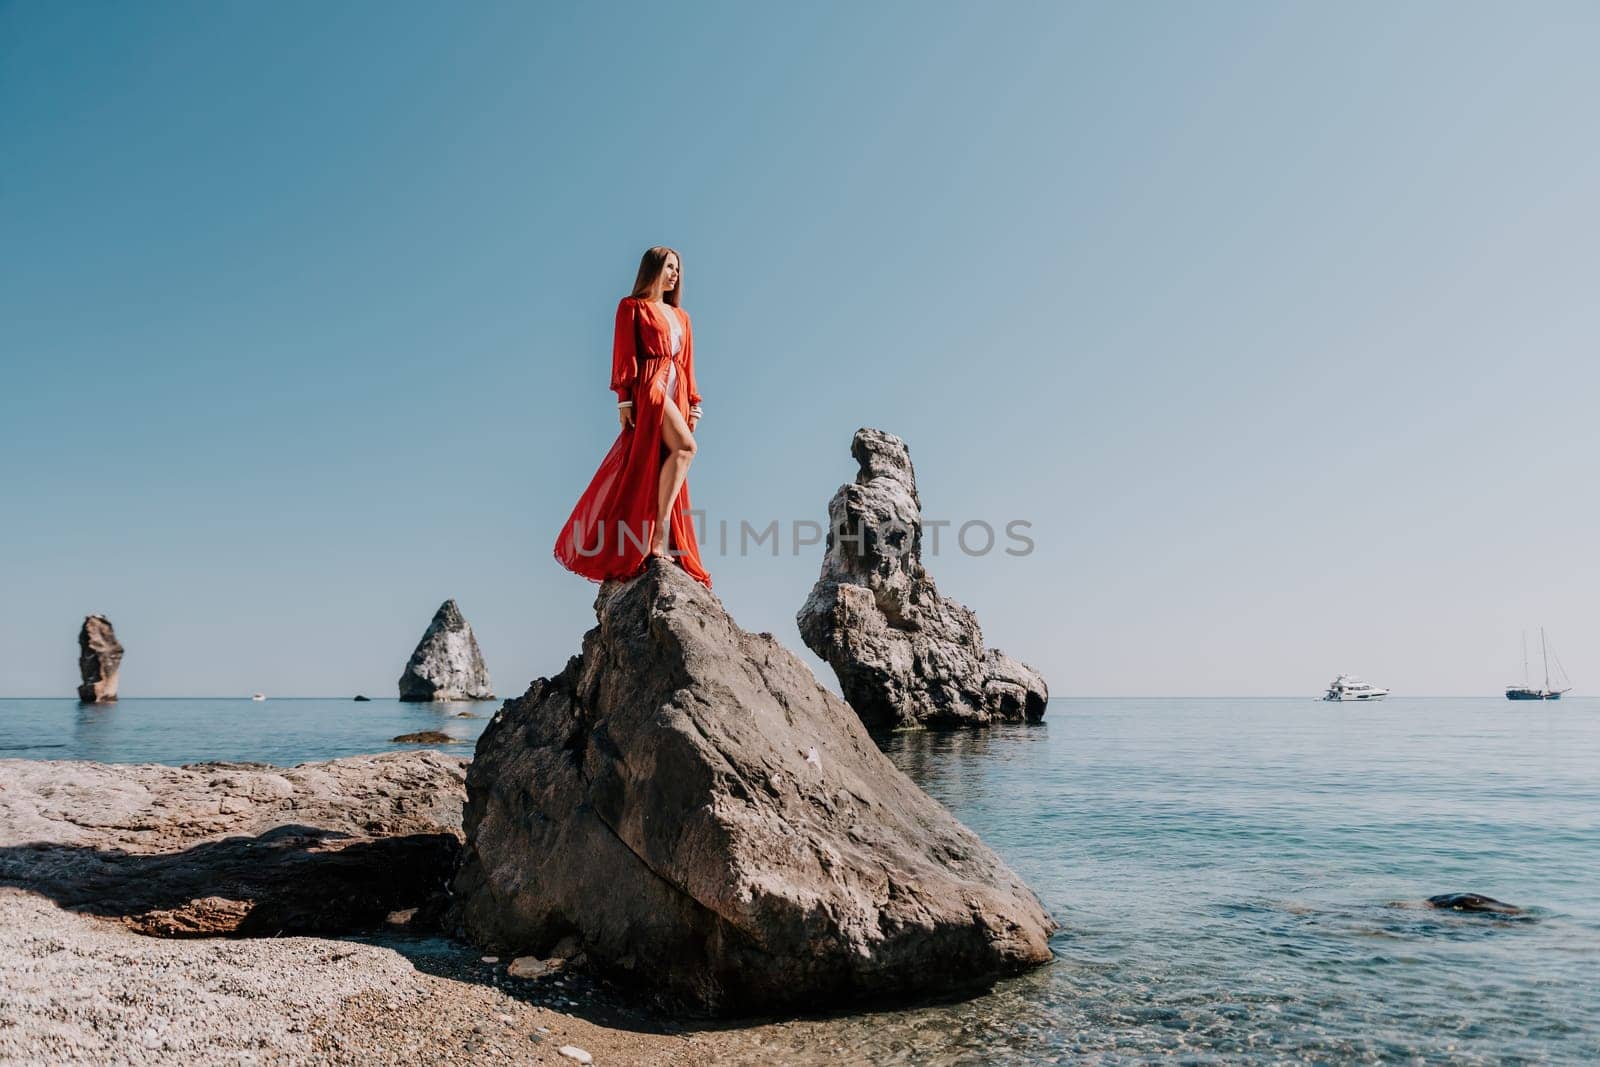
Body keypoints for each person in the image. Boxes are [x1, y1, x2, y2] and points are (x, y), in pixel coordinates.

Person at [552, 246, 713, 588]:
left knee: (663, 462)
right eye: (670, 267)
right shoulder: (632, 307)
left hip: (678, 392)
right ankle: (659, 532)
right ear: (653, 269)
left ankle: (660, 537)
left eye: (678, 270)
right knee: (686, 448)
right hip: (649, 389)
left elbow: (687, 364)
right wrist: (624, 401)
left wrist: (694, 403)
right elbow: (625, 356)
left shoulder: (681, 316)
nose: (675, 275)